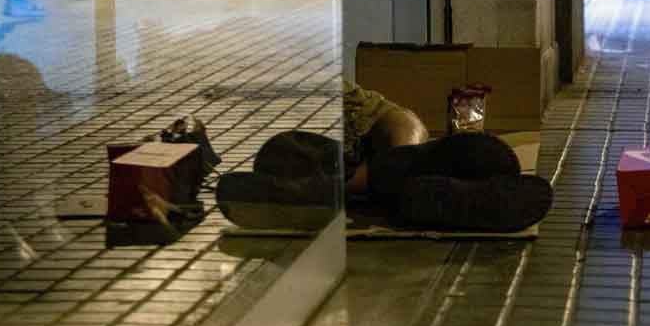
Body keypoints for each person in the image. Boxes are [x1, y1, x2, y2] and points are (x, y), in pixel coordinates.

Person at [215, 83, 554, 232]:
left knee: (486, 160)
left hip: (388, 167)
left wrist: (397, 162)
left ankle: (378, 184)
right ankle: (355, 189)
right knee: (279, 151)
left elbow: (397, 119)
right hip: (348, 180)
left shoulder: (332, 90)